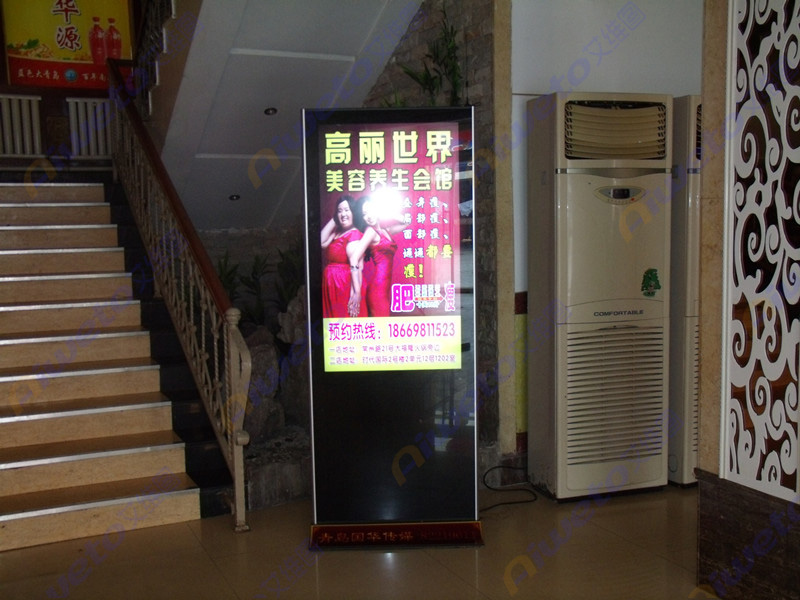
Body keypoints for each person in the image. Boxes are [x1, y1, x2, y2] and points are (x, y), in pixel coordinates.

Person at [353, 196, 404, 317]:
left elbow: (406, 221)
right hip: (378, 290)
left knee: (382, 325)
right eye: (364, 214)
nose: (369, 216)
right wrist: (356, 290)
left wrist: (383, 210)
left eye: (371, 210)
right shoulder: (370, 232)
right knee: (382, 325)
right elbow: (354, 257)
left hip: (385, 289)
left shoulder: (385, 231)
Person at [321, 195, 367, 318]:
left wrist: (356, 293)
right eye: (339, 211)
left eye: (347, 210)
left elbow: (357, 267)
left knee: (345, 320)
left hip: (343, 285)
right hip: (333, 284)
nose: (343, 214)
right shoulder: (337, 232)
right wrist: (335, 219)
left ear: (353, 212)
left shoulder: (354, 235)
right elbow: (321, 241)